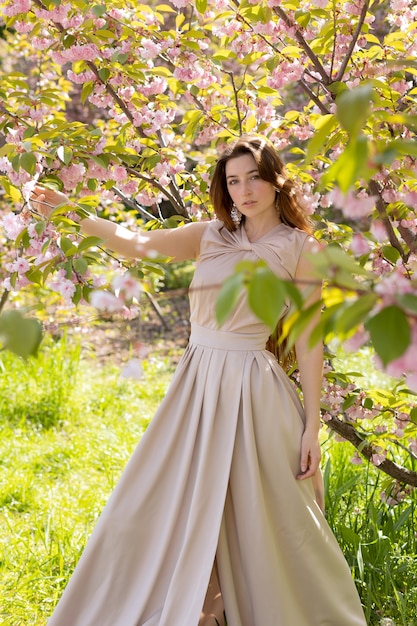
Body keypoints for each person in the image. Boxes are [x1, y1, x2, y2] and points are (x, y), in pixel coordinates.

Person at [31, 135, 367, 626]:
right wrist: (69, 211)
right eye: (233, 181)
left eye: (253, 177)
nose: (244, 190)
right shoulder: (210, 235)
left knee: (269, 511)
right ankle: (197, 608)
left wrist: (312, 424)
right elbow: (134, 242)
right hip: (197, 384)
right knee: (157, 498)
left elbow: (311, 336)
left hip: (255, 389)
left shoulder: (300, 248)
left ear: (275, 179)